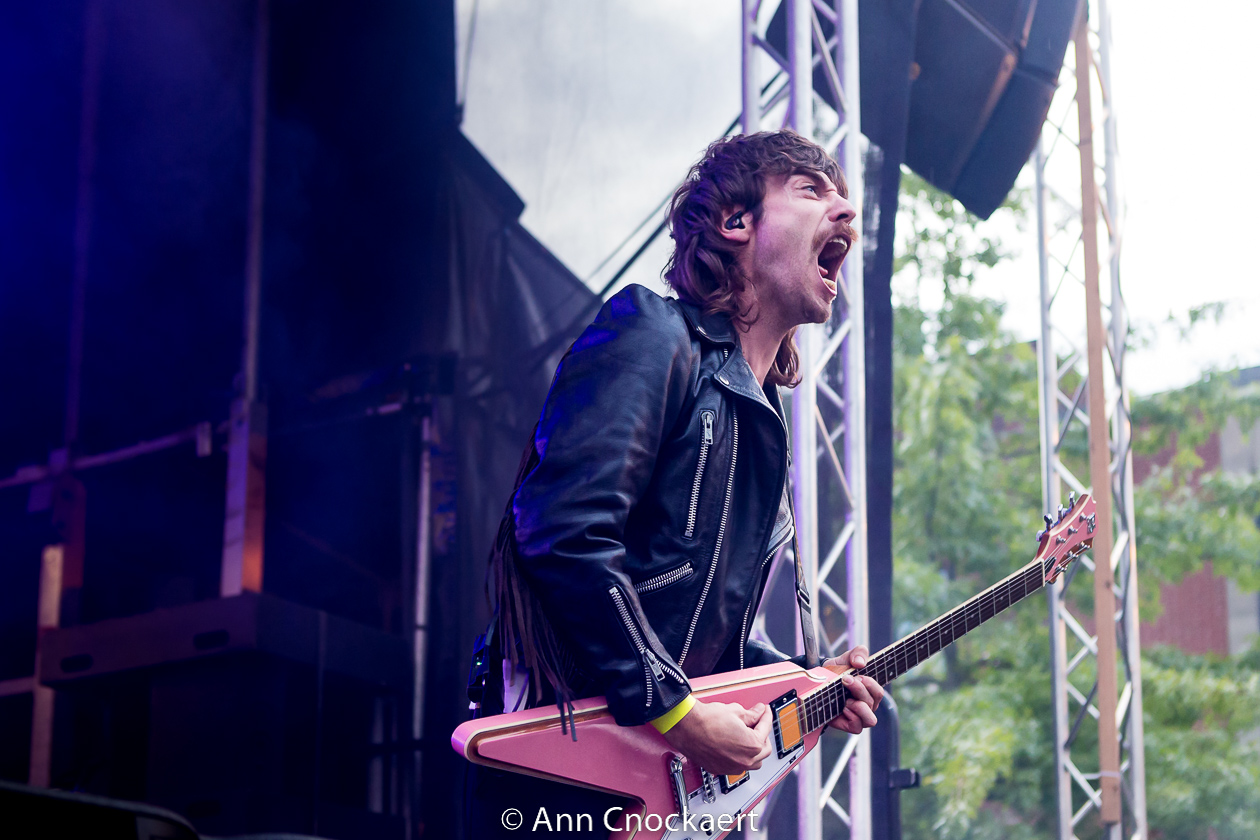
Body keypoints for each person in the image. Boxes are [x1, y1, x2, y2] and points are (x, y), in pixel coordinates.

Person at [465, 129, 884, 837]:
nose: (845, 210)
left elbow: (701, 628)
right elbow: (564, 531)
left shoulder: (762, 420)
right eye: (812, 190)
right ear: (735, 222)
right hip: (565, 761)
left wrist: (805, 684)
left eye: (842, 195)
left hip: (654, 776)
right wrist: (678, 714)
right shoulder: (653, 332)